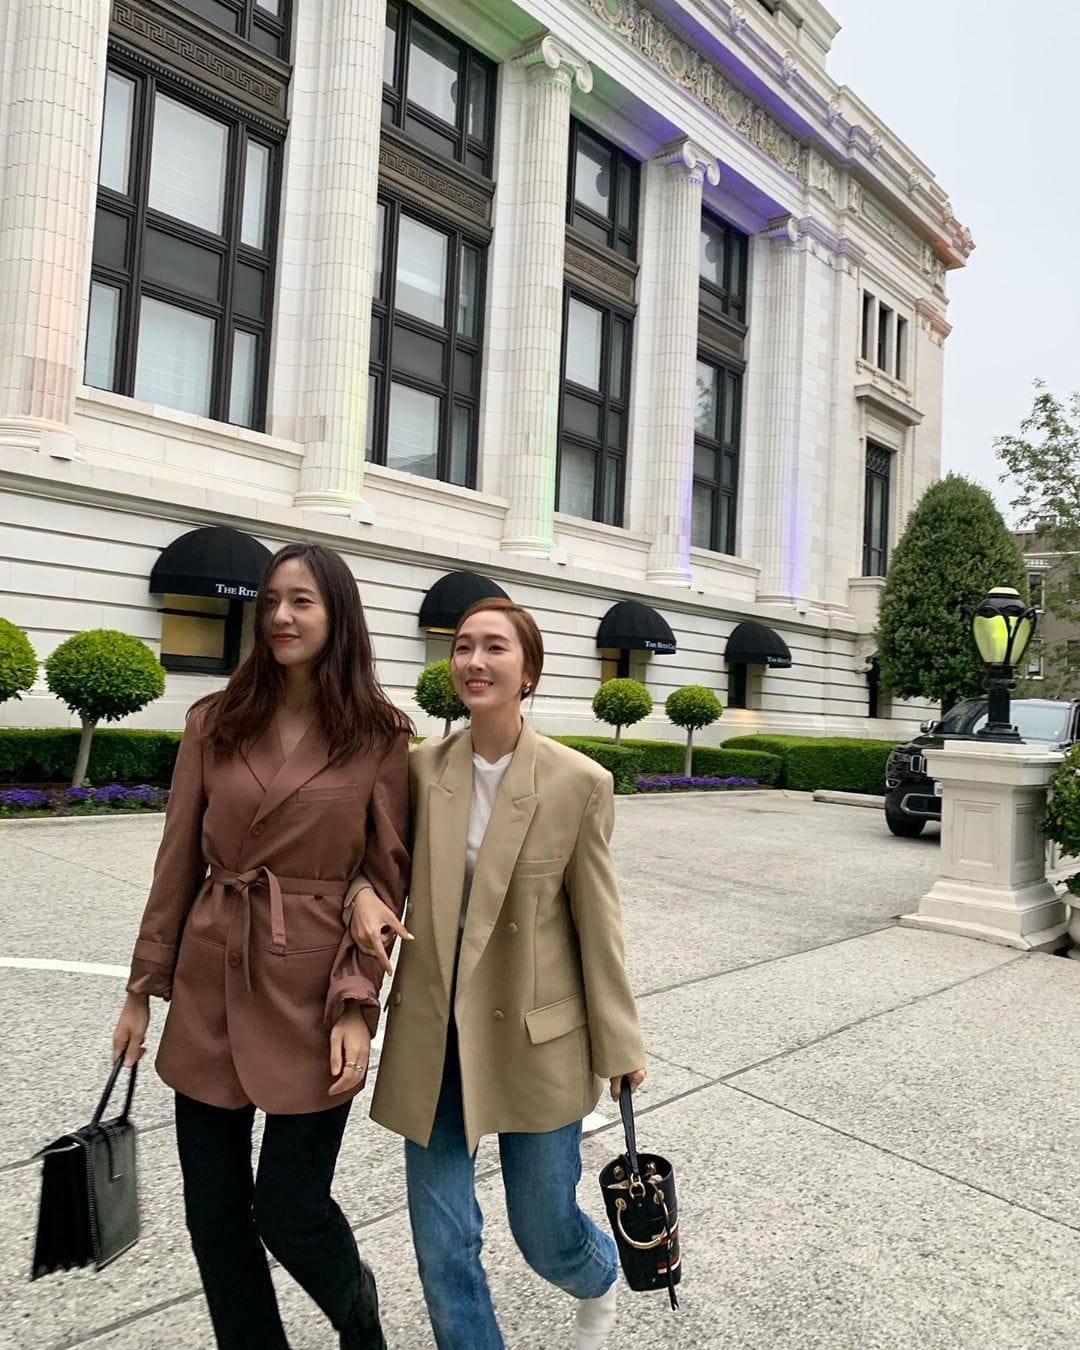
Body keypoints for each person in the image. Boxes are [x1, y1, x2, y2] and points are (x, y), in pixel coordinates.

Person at [111, 542, 410, 1350]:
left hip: (314, 992)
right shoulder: (214, 721)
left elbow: (387, 881)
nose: (281, 615)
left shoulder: (380, 735)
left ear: (338, 615)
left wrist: (358, 1007)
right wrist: (141, 989)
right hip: (211, 977)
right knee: (213, 1213)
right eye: (272, 599)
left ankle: (357, 1314)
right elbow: (177, 860)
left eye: (302, 601)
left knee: (292, 1210)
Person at [346, 596, 646, 1350]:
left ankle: (598, 1274)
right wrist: (358, 896)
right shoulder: (419, 769)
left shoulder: (578, 782)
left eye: (495, 648)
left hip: (535, 1033)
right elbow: (369, 865)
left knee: (544, 1232)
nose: (474, 661)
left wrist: (620, 1045)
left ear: (529, 673)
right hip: (433, 1034)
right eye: (463, 647)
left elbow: (597, 922)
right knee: (443, 1243)